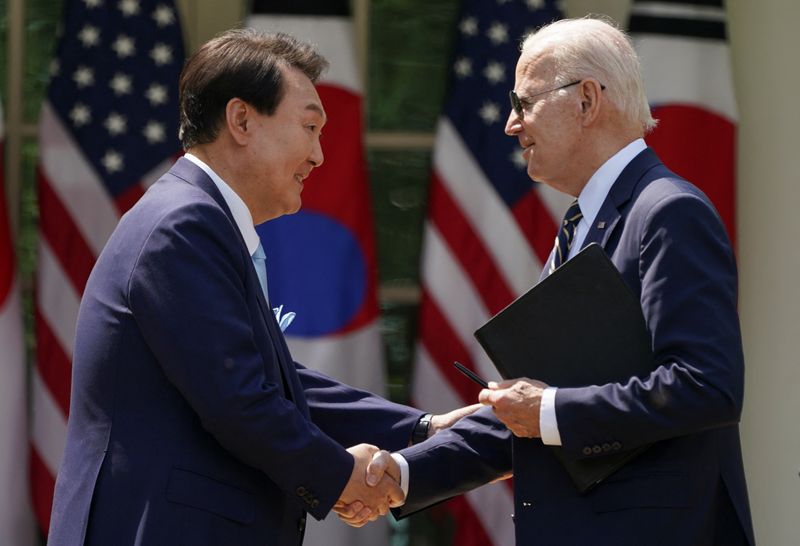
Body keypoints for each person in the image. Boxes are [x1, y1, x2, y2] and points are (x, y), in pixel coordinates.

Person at [47, 29, 477, 546]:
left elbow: (269, 380)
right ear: (242, 120)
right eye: (310, 127)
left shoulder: (197, 218)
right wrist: (343, 475)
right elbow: (240, 399)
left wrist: (419, 429)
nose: (319, 155)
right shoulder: (182, 226)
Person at [342, 17, 755, 545]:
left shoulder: (667, 211)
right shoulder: (582, 224)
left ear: (586, 101)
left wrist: (549, 409)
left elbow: (706, 385)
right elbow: (531, 410)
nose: (512, 125)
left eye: (524, 103)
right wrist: (402, 475)